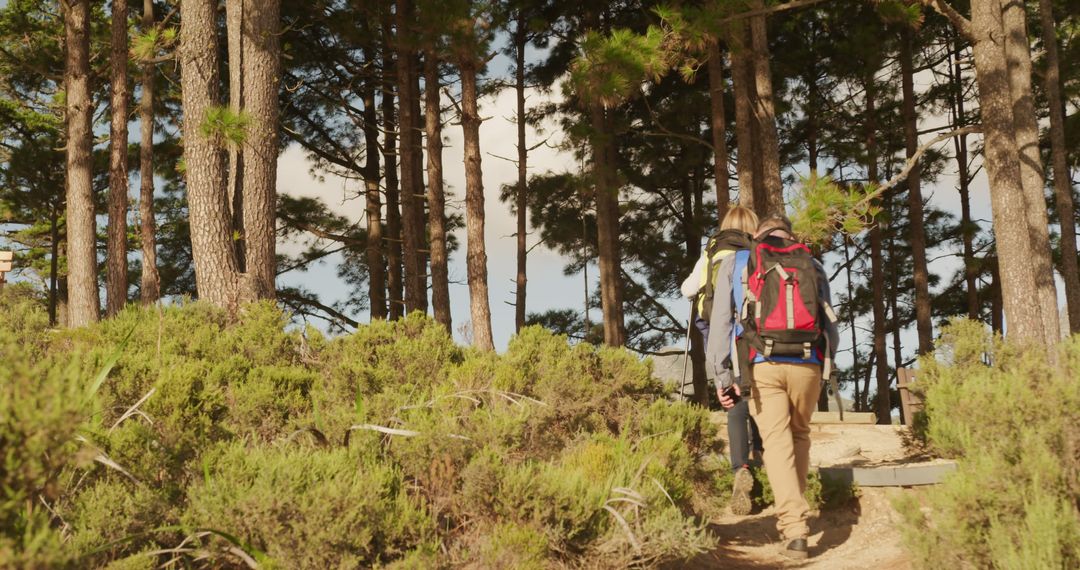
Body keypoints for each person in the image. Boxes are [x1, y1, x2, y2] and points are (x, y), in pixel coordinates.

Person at [706, 214, 839, 560]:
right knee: (799, 435)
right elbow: (830, 323)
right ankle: (796, 512)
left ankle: (795, 530)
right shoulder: (811, 263)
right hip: (808, 361)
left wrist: (722, 377)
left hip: (763, 362)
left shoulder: (740, 261)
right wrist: (826, 365)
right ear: (789, 235)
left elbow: (720, 324)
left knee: (777, 442)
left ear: (758, 235)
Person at [679, 205, 763, 516]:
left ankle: (739, 467)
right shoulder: (758, 251)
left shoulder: (711, 252)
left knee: (733, 402)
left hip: (721, 333)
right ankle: (763, 460)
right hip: (756, 336)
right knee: (759, 395)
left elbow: (687, 290)